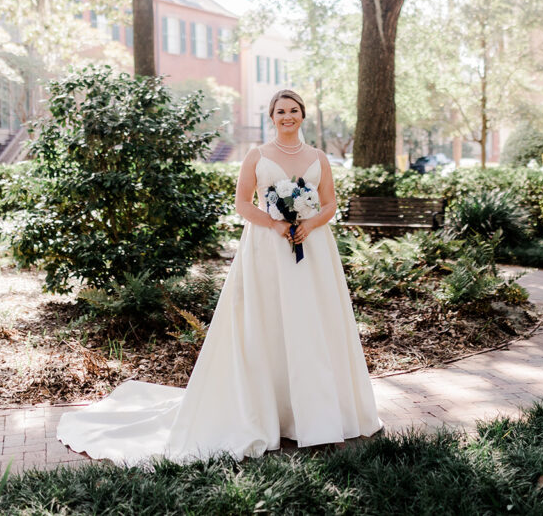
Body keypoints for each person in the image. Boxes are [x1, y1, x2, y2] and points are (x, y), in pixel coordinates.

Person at [56, 89, 382, 465]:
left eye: (294, 110)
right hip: (268, 250)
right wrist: (276, 225)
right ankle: (271, 416)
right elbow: (243, 203)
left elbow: (330, 203)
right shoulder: (256, 156)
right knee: (270, 326)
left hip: (313, 251)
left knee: (312, 326)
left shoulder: (318, 157)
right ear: (271, 117)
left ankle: (322, 420)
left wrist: (307, 224)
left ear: (302, 116)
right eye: (280, 111)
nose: (287, 116)